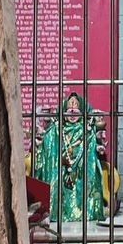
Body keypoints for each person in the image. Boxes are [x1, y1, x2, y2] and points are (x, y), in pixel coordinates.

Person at [33, 92, 106, 222]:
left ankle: (84, 212)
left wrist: (97, 145)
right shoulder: (57, 129)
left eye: (75, 113)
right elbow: (48, 143)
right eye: (69, 112)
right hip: (61, 167)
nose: (72, 116)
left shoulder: (86, 130)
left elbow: (93, 146)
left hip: (81, 169)